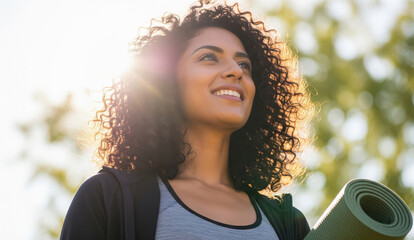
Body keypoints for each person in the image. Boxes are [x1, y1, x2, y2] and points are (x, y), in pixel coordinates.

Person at [60, 1, 314, 239]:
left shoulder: (289, 225)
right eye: (209, 57)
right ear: (168, 83)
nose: (236, 71)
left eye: (244, 65)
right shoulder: (107, 198)